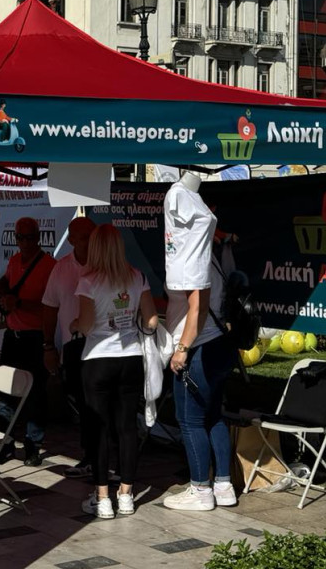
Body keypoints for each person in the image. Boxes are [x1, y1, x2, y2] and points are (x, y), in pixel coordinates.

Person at [72, 223, 160, 519]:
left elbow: (84, 326)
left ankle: (102, 497)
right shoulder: (137, 277)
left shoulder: (88, 281)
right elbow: (151, 322)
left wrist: (74, 324)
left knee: (99, 429)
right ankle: (126, 494)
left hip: (97, 359)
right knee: (126, 429)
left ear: (96, 249)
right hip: (130, 358)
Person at [161, 173, 234, 512]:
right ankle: (223, 486)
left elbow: (198, 307)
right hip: (219, 344)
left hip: (201, 346)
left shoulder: (192, 257)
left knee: (190, 421)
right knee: (214, 416)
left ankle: (200, 490)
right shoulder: (213, 254)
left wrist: (182, 349)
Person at [0, 217, 55, 466]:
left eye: (29, 237)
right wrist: (0, 289)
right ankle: (5, 443)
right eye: (20, 237)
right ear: (15, 238)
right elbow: (6, 282)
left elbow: (52, 304)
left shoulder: (50, 265)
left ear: (38, 237)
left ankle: (33, 445)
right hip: (13, 335)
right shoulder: (14, 261)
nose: (25, 242)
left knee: (35, 393)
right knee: (5, 391)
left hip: (35, 336)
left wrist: (20, 304)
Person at [42, 216, 97, 480]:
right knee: (84, 406)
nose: (89, 241)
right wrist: (48, 347)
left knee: (103, 405)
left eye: (92, 235)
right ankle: (91, 456)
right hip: (73, 346)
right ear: (72, 239)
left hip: (104, 347)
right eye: (84, 236)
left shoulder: (110, 266)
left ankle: (108, 457)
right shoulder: (61, 268)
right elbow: (50, 308)